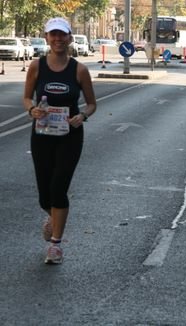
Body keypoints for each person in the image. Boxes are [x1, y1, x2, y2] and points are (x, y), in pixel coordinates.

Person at [23, 17, 96, 264]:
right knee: (45, 195)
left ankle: (56, 245)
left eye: (62, 35)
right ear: (46, 38)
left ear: (69, 38)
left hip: (69, 136)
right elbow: (26, 98)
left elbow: (93, 103)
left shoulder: (79, 69)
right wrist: (31, 109)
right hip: (41, 135)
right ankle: (53, 217)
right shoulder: (36, 66)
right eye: (53, 35)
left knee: (58, 187)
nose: (57, 39)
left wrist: (82, 115)